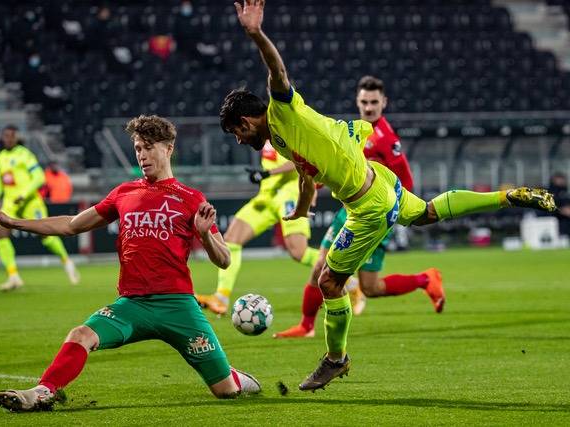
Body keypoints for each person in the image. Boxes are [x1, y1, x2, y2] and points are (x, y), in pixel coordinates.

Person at [221, 0, 556, 392]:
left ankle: (335, 359)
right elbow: (307, 175)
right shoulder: (282, 137)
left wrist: (255, 33)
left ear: (245, 121)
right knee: (427, 212)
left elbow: (276, 71)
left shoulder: (282, 111)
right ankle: (507, 196)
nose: (240, 140)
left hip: (368, 205)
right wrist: (303, 210)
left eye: (237, 133)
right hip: (380, 182)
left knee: (330, 282)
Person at [0, 115, 260, 412]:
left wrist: (204, 235)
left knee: (225, 391)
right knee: (81, 334)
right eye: (138, 148)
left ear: (169, 149)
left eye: (149, 147)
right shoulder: (125, 193)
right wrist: (16, 223)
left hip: (178, 306)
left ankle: (239, 379)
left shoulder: (191, 198)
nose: (142, 154)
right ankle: (41, 392)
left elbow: (225, 259)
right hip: (132, 306)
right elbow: (72, 225)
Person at [274, 75, 444, 339]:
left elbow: (406, 182)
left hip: (378, 213)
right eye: (364, 101)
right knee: (320, 265)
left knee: (371, 287)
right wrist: (315, 186)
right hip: (349, 210)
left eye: (374, 102)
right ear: (357, 101)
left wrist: (394, 216)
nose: (368, 107)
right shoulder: (351, 130)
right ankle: (306, 326)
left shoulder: (387, 140)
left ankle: (425, 279)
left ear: (384, 102)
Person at [196, 140, 319, 314]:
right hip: (266, 197)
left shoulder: (286, 128)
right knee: (232, 239)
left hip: (289, 196)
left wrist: (268, 173)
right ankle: (221, 298)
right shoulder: (267, 132)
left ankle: (348, 278)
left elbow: (301, 160)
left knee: (300, 252)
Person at [0, 125, 79, 291]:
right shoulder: (0, 157)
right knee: (1, 234)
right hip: (10, 201)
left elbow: (39, 178)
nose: (8, 139)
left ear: (16, 137)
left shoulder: (25, 155)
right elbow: (1, 178)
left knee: (46, 235)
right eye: (5, 136)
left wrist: (24, 194)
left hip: (30, 201)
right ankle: (13, 276)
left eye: (11, 136)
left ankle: (67, 261)